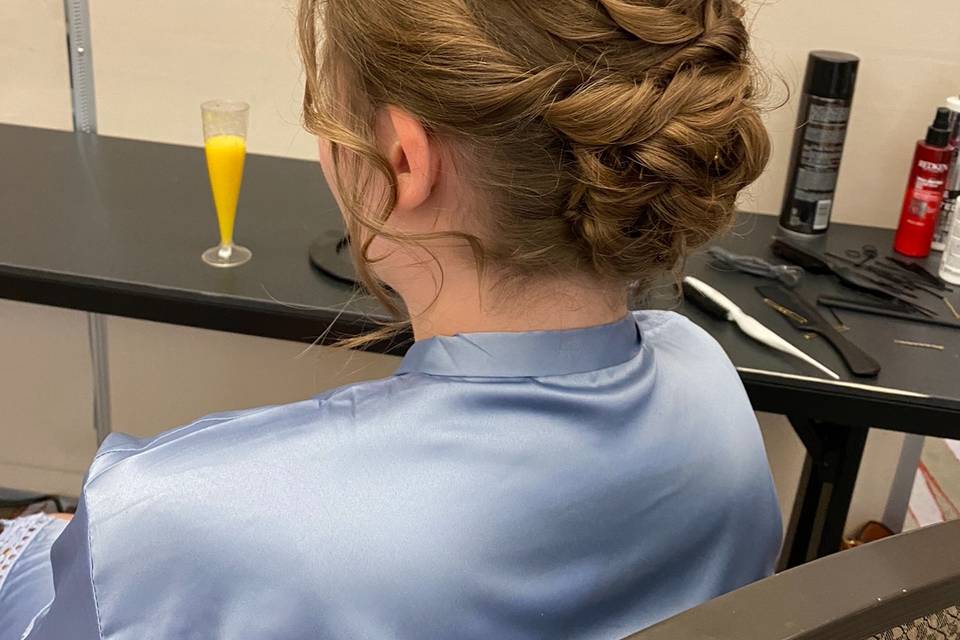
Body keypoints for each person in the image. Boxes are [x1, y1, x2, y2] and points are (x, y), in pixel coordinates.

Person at [0, 0, 781, 637]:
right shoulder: (709, 389)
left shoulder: (171, 525)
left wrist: (37, 543)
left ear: (405, 160)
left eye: (329, 112)